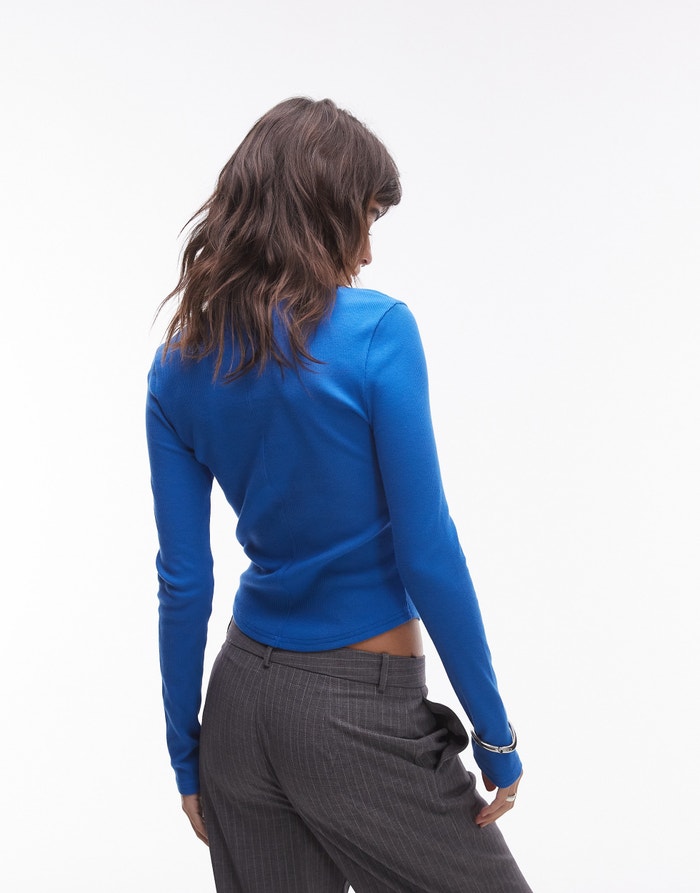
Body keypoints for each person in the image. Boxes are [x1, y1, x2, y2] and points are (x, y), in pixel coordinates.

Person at [146, 96, 532, 893]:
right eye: (364, 219)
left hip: (238, 710)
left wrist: (188, 752)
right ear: (319, 213)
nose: (365, 252)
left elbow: (184, 581)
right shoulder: (377, 332)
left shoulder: (177, 366)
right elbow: (428, 549)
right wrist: (494, 733)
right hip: (357, 713)